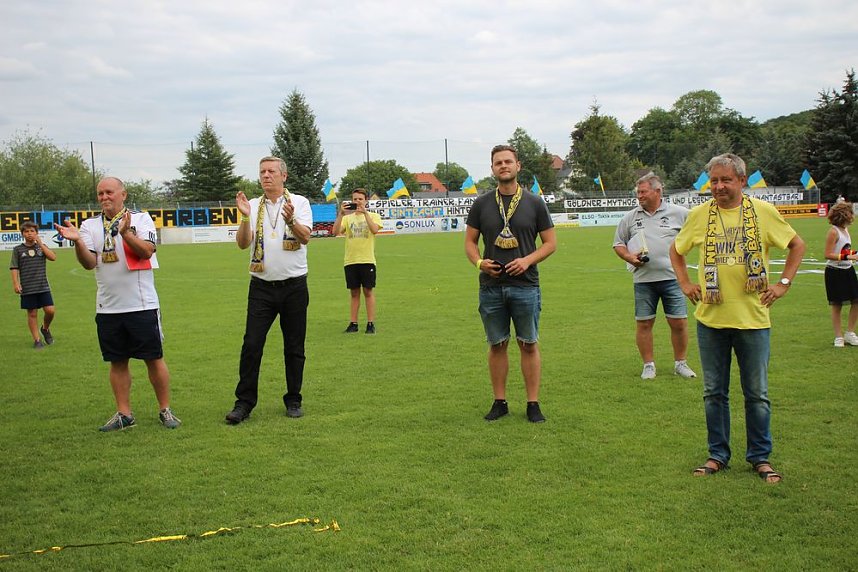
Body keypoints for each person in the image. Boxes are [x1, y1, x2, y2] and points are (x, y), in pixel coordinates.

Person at [669, 153, 805, 483]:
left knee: (756, 394)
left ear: (742, 181)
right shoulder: (700, 215)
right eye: (714, 180)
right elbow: (677, 250)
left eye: (725, 180)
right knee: (714, 393)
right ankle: (718, 454)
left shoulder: (763, 212)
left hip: (753, 321)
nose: (718, 186)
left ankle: (760, 457)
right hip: (711, 320)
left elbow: (796, 245)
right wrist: (686, 282)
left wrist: (783, 283)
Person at [54, 177, 181, 431]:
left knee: (154, 358)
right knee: (117, 361)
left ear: (123, 194)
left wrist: (125, 233)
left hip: (142, 304)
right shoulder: (90, 225)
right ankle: (124, 414)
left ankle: (165, 410)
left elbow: (146, 251)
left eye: (109, 192)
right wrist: (78, 241)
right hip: (108, 307)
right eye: (100, 193)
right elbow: (89, 263)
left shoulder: (140, 219)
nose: (104, 197)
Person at [465, 144, 557, 423]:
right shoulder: (481, 204)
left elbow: (550, 243)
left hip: (525, 284)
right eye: (498, 163)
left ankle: (533, 403)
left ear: (518, 166)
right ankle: (499, 401)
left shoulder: (534, 202)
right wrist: (481, 263)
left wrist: (527, 261)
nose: (503, 166)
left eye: (508, 161)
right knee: (497, 345)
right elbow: (469, 243)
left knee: (528, 344)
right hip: (491, 286)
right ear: (492, 169)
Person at [225, 156, 312, 424]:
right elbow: (242, 244)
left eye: (271, 171)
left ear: (283, 176)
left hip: (294, 286)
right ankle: (244, 403)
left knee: (294, 346)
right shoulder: (252, 206)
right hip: (261, 288)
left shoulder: (299, 202)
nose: (266, 176)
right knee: (251, 345)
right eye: (262, 171)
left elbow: (306, 236)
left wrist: (291, 220)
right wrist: (244, 218)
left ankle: (294, 398)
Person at [613, 173, 696, 380]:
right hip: (643, 280)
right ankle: (648, 365)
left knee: (679, 323)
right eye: (637, 192)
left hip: (673, 279)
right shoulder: (630, 217)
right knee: (644, 324)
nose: (639, 196)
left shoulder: (680, 213)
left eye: (643, 192)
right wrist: (630, 257)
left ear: (658, 191)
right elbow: (618, 243)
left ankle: (681, 363)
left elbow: (697, 234)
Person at [332, 188, 382, 334]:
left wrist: (365, 213)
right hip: (351, 260)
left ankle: (370, 323)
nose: (357, 202)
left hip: (367, 260)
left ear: (366, 200)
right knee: (354, 293)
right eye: (354, 199)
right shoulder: (347, 219)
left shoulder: (373, 216)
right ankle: (353, 323)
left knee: (368, 291)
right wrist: (341, 214)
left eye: (360, 199)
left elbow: (374, 230)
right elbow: (335, 232)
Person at [10, 221, 57, 349]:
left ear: (37, 233)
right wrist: (16, 283)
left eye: (32, 231)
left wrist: (41, 244)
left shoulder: (41, 247)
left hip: (43, 286)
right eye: (26, 231)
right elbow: (14, 267)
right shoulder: (18, 250)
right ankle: (37, 340)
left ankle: (45, 329)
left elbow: (53, 257)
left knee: (50, 311)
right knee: (32, 313)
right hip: (28, 287)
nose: (29, 234)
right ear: (22, 234)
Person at [823, 201, 858, 347]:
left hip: (847, 270)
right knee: (837, 305)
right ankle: (839, 336)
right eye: (850, 212)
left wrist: (854, 254)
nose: (853, 215)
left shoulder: (845, 230)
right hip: (834, 272)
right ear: (844, 214)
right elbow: (828, 254)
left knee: (856, 301)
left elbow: (844, 250)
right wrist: (847, 257)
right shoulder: (833, 231)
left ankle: (850, 333)